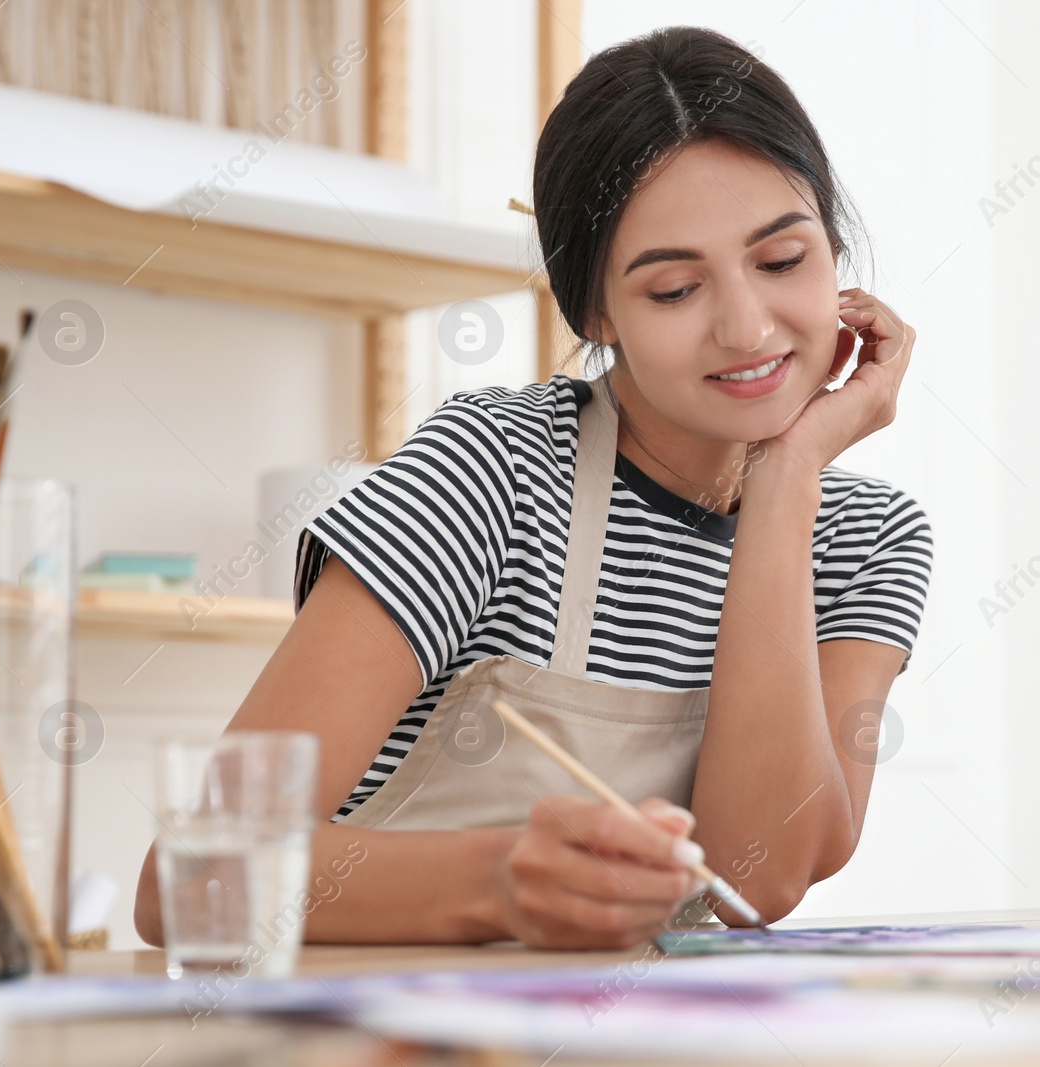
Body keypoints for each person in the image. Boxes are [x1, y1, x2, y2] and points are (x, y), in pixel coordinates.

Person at [135, 24, 931, 951]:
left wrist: (787, 478)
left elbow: (758, 874)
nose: (748, 328)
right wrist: (499, 881)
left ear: (835, 255)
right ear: (596, 310)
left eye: (783, 261)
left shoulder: (869, 537)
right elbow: (193, 879)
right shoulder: (492, 472)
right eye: (675, 289)